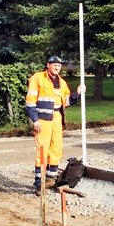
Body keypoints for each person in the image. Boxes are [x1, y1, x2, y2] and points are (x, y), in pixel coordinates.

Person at [25, 56, 85, 193]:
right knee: (42, 150)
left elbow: (67, 102)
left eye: (59, 66)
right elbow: (30, 102)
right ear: (48, 65)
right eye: (54, 65)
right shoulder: (38, 78)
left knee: (56, 149)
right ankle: (39, 183)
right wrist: (35, 120)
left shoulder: (62, 83)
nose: (57, 67)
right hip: (42, 120)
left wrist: (78, 93)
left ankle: (51, 180)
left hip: (57, 118)